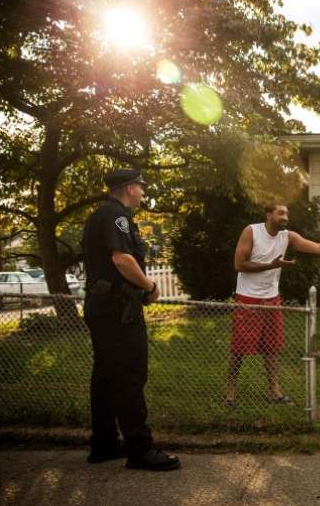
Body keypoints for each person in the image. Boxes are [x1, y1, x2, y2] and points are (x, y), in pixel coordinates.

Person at [82, 168, 180, 471]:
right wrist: (150, 287)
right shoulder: (116, 216)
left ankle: (104, 443)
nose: (143, 191)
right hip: (117, 310)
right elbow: (122, 259)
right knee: (129, 374)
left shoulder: (101, 214)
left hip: (103, 307)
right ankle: (140, 449)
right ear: (128, 188)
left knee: (106, 376)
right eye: (140, 186)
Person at [226, 204, 320, 405]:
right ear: (269, 215)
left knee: (271, 348)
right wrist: (271, 265)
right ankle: (230, 393)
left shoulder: (287, 237)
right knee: (239, 348)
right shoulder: (252, 231)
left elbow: (317, 248)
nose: (285, 217)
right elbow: (239, 264)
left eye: (287, 213)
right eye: (281, 213)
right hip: (248, 298)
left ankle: (274, 391)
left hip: (272, 299)